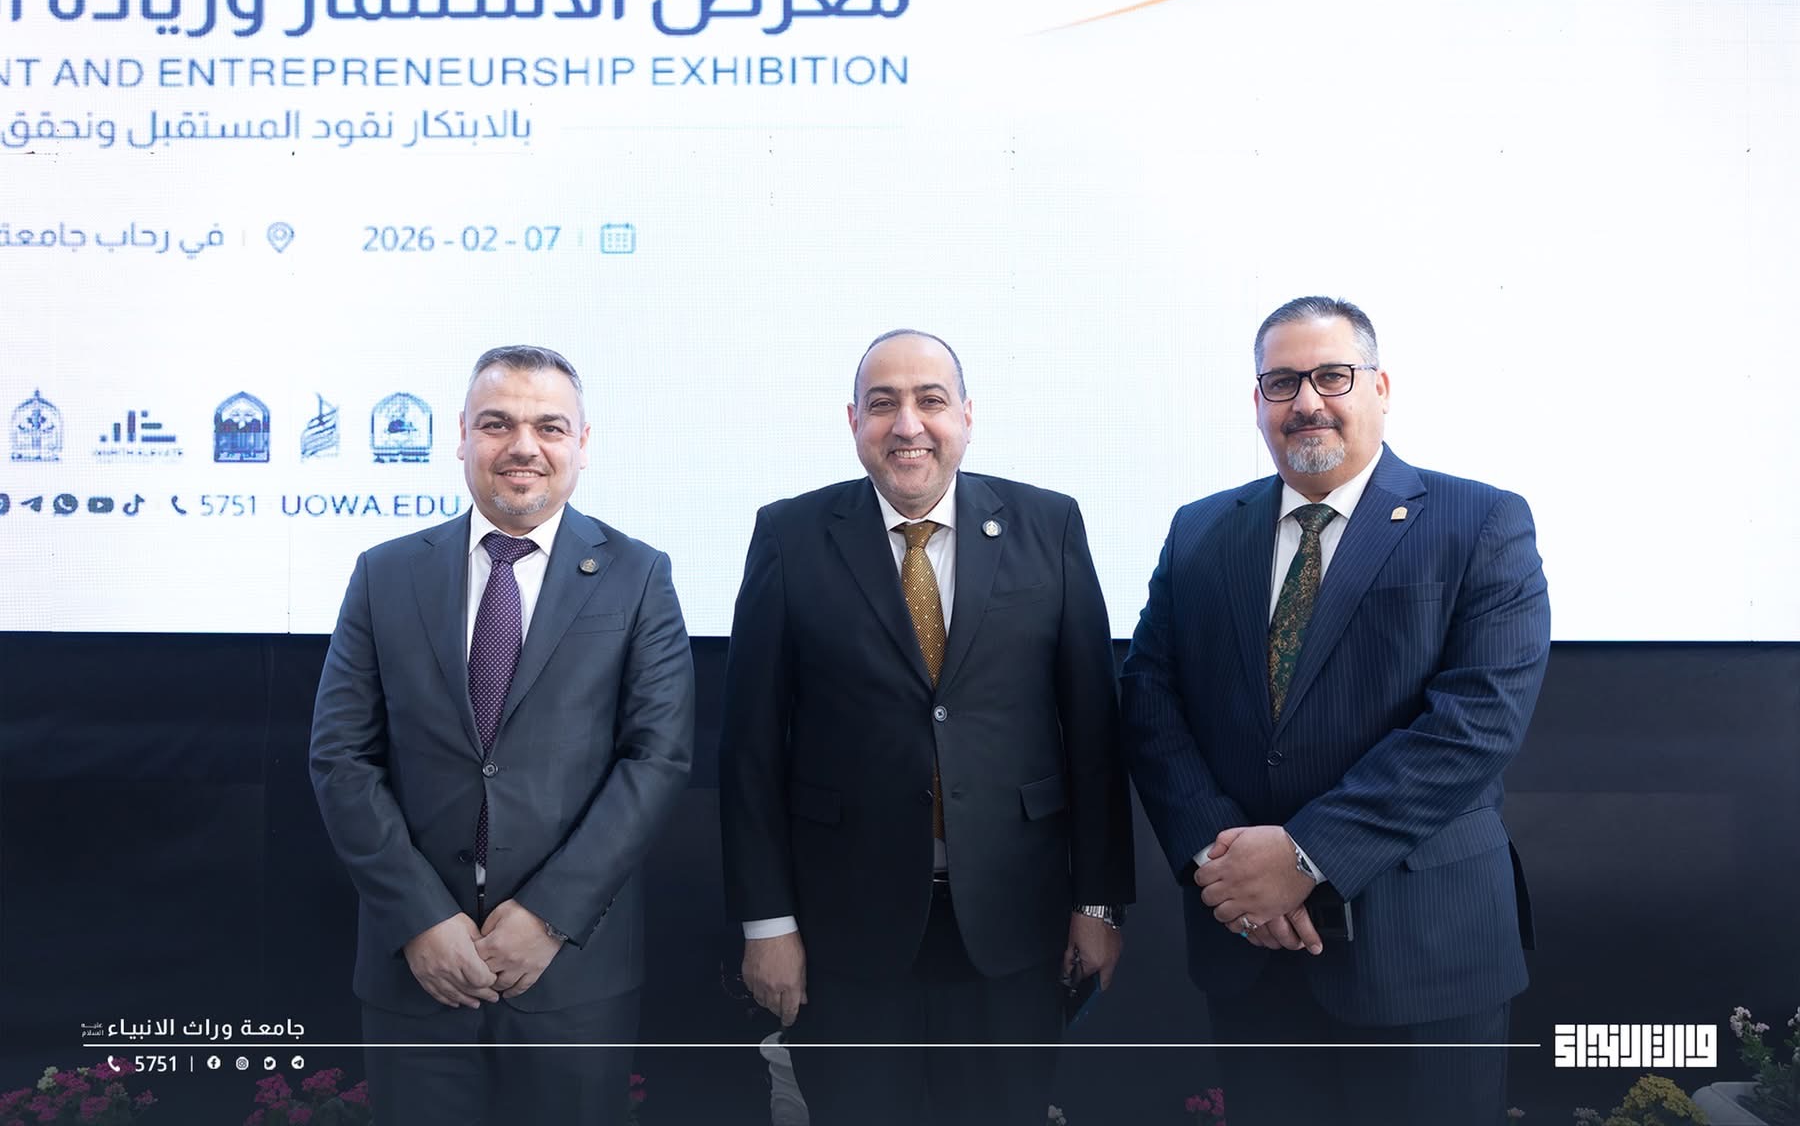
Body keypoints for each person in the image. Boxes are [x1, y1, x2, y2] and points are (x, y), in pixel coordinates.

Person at [1119, 297, 1550, 1126]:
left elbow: (1478, 722)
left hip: (1423, 951)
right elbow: (1149, 697)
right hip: (1250, 949)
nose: (1307, 401)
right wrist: (1228, 864)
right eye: (1282, 382)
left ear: (1380, 388)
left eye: (1332, 376)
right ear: (1258, 401)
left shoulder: (1481, 521)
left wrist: (1305, 856)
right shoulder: (1201, 531)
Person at [719, 329, 1135, 1126]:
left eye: (930, 401)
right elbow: (750, 751)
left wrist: (1100, 904)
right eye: (883, 404)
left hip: (1016, 928)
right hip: (845, 934)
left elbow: (1093, 732)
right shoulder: (790, 536)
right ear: (854, 422)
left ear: (967, 416)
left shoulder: (1049, 524)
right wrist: (768, 923)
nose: (907, 425)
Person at [310, 345, 695, 1126]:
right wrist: (420, 917)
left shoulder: (639, 576)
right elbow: (342, 757)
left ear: (582, 443)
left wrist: (548, 916)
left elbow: (655, 759)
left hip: (572, 972)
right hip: (415, 967)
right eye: (497, 424)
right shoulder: (385, 574)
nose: (524, 446)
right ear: (461, 436)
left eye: (549, 426)